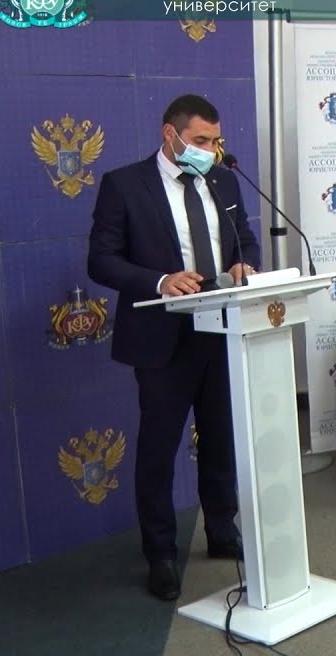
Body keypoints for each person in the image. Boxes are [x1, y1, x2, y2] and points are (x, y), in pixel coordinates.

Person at [88, 94, 260, 600]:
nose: (211, 150)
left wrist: (243, 265)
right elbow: (100, 260)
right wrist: (160, 280)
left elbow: (244, 240)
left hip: (221, 328)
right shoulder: (125, 185)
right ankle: (160, 553)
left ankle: (222, 530)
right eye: (201, 140)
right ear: (171, 134)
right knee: (159, 449)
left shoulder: (224, 180)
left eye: (216, 141)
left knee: (221, 438)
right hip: (161, 339)